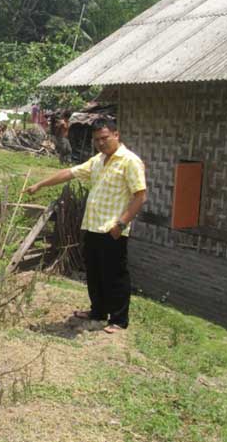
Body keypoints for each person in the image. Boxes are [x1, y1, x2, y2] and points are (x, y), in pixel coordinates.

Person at [25, 118, 147, 333]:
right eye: (97, 140)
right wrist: (40, 184)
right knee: (94, 271)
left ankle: (119, 319)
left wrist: (121, 223)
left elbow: (140, 196)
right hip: (92, 226)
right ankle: (98, 311)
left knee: (115, 274)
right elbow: (69, 173)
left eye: (105, 138)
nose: (101, 143)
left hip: (113, 229)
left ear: (116, 135)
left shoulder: (130, 161)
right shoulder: (98, 160)